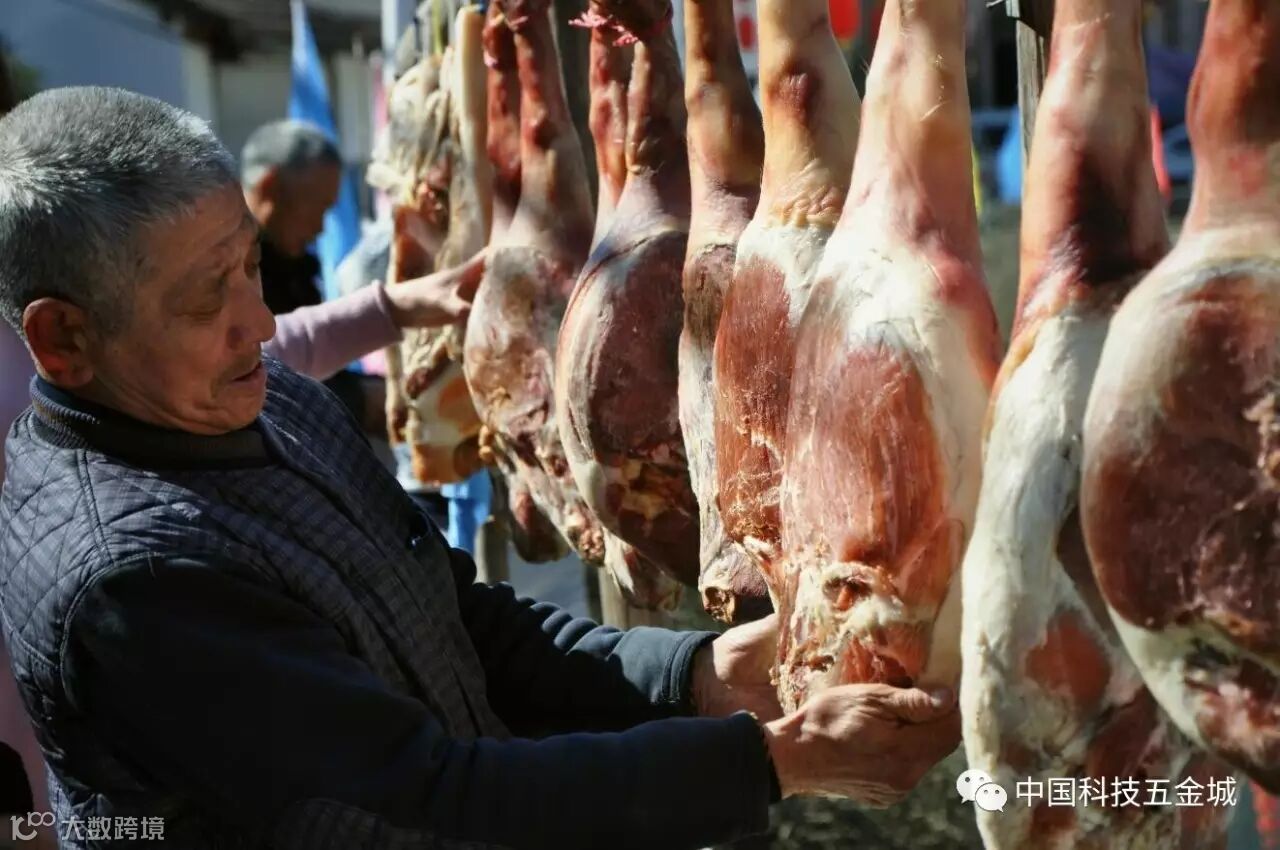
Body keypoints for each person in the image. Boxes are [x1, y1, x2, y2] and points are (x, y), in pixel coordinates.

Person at [0, 87, 959, 849]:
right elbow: (426, 790)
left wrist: (696, 673)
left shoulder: (269, 398)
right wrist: (773, 765)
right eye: (206, 299)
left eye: (251, 268)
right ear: (64, 340)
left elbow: (460, 620)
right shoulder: (134, 581)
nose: (258, 322)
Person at [240, 118, 377, 428]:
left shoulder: (294, 264)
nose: (320, 228)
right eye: (318, 208)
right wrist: (360, 399)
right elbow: (262, 372)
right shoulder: (232, 270)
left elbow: (312, 358)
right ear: (271, 187)